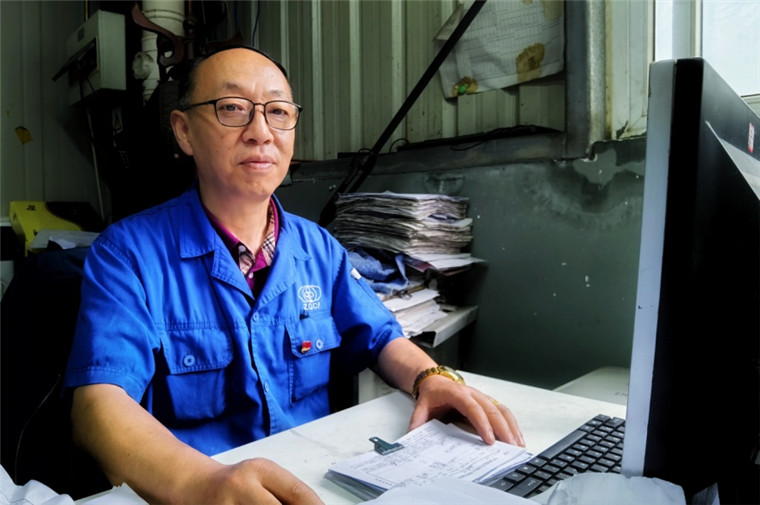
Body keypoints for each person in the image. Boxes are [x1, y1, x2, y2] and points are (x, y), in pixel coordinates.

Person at [63, 45, 524, 505]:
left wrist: (432, 378)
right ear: (184, 131)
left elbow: (381, 337)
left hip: (315, 486)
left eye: (278, 111)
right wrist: (200, 484)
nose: (260, 132)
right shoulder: (127, 254)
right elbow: (97, 407)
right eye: (232, 108)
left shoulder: (318, 248)